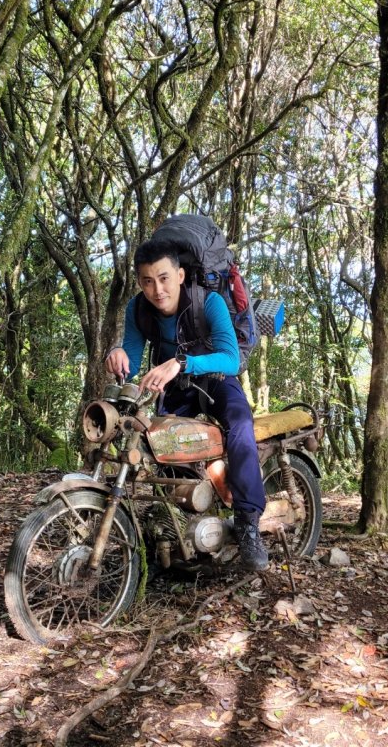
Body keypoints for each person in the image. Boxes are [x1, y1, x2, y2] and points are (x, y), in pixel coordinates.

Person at [105, 238, 269, 571]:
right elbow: (132, 364)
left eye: (164, 278)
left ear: (180, 275)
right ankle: (180, 527)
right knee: (159, 441)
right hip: (176, 387)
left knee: (240, 427)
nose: (157, 289)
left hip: (215, 381)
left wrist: (182, 362)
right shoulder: (138, 309)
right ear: (139, 282)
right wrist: (118, 355)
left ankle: (248, 523)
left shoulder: (207, 302)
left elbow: (229, 359)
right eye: (148, 281)